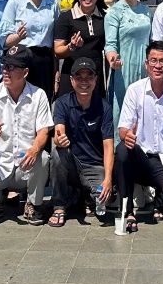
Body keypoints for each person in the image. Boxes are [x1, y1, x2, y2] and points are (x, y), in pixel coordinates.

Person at [0, 46, 52, 224]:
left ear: (25, 72)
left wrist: (34, 149)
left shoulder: (38, 95)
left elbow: (43, 131)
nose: (6, 71)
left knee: (43, 158)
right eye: (4, 66)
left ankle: (33, 204)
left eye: (12, 67)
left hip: (25, 164)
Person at [116, 39, 163, 231]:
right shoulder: (135, 90)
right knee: (122, 150)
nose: (158, 65)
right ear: (146, 64)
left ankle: (161, 196)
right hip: (141, 157)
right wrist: (127, 135)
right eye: (153, 60)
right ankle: (126, 209)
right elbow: (123, 128)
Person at [49, 58, 115, 226]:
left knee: (105, 202)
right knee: (58, 153)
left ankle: (83, 195)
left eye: (89, 77)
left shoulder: (105, 107)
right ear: (71, 80)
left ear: (95, 80)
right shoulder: (62, 103)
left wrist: (108, 179)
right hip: (73, 164)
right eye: (79, 77)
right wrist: (59, 139)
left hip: (94, 165)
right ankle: (59, 205)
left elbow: (108, 146)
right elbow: (59, 133)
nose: (84, 82)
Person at [105, 0, 153, 141]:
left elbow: (151, 43)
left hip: (144, 72)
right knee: (122, 120)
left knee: (143, 117)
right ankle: (119, 161)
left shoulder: (146, 11)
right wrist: (113, 60)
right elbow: (109, 45)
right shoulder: (114, 12)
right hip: (123, 73)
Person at [0, 0, 60, 96]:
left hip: (45, 61)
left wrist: (56, 71)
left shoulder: (53, 4)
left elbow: (55, 41)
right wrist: (18, 37)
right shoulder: (14, 2)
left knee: (43, 104)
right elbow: (4, 41)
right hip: (20, 60)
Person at [54, 0, 108, 81]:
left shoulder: (105, 17)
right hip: (72, 75)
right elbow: (58, 51)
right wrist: (71, 46)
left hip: (95, 76)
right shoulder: (66, 17)